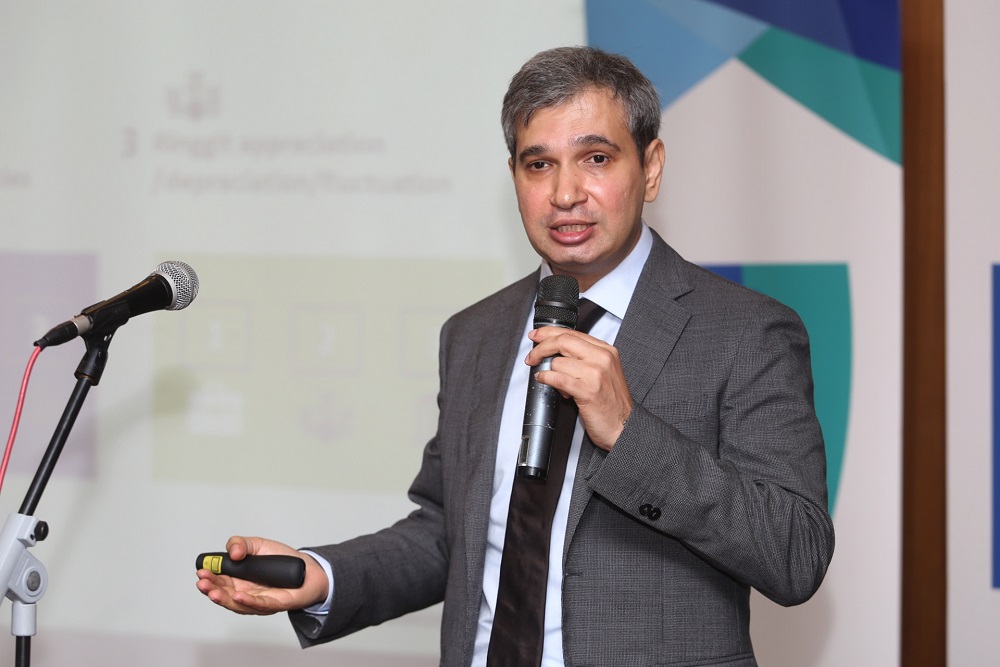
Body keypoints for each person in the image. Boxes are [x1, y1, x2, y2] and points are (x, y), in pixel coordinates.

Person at [196, 46, 835, 666]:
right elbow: (453, 533)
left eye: (596, 158)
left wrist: (632, 435)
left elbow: (796, 554)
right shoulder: (474, 333)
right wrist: (324, 577)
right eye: (539, 165)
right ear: (514, 178)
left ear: (652, 166)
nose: (565, 193)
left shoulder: (746, 331)